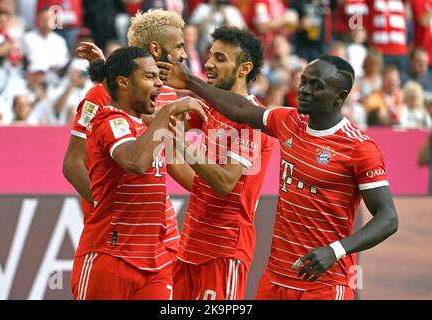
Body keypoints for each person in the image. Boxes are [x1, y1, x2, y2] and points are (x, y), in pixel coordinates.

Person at [159, 54, 399, 300]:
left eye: (316, 86)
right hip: (274, 280)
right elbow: (240, 109)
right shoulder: (289, 121)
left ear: (340, 95)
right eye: (304, 81)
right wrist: (190, 80)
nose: (304, 90)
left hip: (324, 284)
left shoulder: (359, 148)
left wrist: (335, 250)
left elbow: (388, 218)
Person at [71, 46, 207, 299]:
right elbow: (135, 161)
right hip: (111, 255)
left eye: (158, 76)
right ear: (123, 82)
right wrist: (167, 111)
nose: (158, 84)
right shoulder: (109, 120)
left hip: (156, 262)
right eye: (149, 77)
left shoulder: (146, 122)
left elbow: (177, 163)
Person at [159, 26, 274, 300]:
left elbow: (224, 182)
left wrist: (182, 145)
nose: (209, 64)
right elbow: (176, 155)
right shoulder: (210, 107)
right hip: (189, 246)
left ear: (244, 68)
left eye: (220, 58)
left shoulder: (253, 120)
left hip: (225, 251)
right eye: (210, 56)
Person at [63, 9, 188, 259]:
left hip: (159, 229)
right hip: (113, 231)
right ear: (156, 48)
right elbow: (72, 164)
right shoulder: (99, 96)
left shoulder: (169, 95)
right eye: (179, 46)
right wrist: (105, 206)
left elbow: (173, 160)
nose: (184, 54)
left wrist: (214, 193)